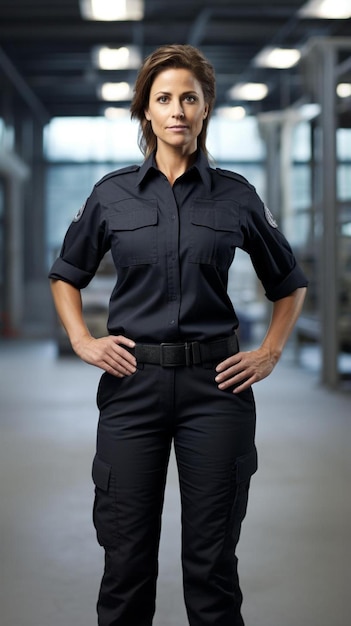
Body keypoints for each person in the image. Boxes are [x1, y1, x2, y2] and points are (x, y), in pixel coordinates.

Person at [49, 44, 307, 626]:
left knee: (212, 568)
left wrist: (270, 352)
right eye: (164, 98)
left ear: (206, 106)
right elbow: (66, 274)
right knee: (125, 566)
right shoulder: (111, 194)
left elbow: (289, 282)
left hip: (216, 392)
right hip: (131, 389)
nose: (177, 110)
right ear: (146, 111)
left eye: (189, 98)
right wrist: (83, 341)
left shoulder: (236, 194)